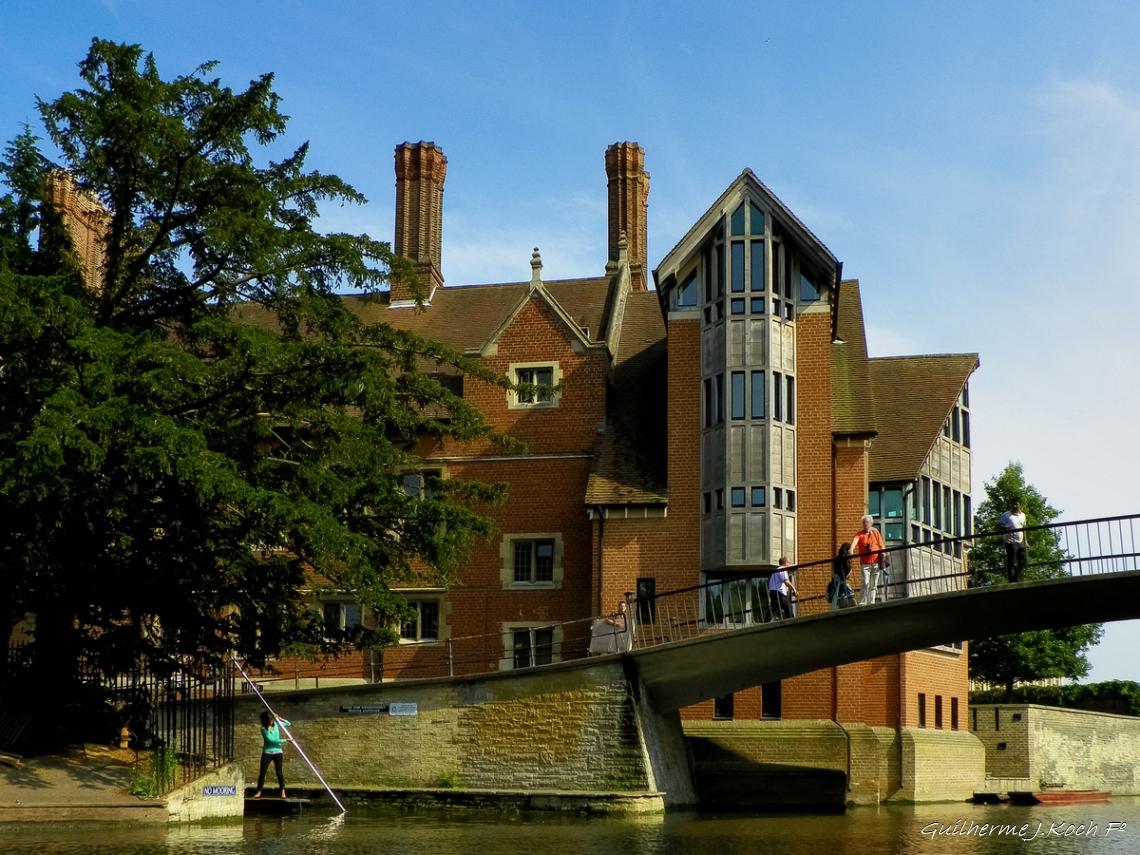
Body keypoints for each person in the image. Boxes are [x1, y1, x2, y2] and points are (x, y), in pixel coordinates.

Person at [253, 711, 291, 799]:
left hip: (278, 753)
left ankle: (283, 791)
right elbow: (272, 740)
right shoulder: (263, 729)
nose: (273, 720)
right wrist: (285, 740)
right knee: (262, 773)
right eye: (271, 719)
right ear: (267, 720)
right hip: (267, 753)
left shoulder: (277, 724)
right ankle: (259, 792)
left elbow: (288, 724)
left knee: (279, 772)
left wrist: (280, 719)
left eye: (273, 719)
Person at [850, 515, 886, 605]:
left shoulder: (875, 532)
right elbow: (855, 541)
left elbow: (881, 545)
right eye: (864, 522)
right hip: (865, 563)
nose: (866, 524)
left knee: (873, 584)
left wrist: (883, 554)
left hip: (876, 562)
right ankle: (863, 602)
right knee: (865, 583)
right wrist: (851, 549)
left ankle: (871, 602)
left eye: (867, 522)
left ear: (871, 523)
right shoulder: (860, 534)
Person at [1000, 498, 1028, 582]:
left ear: (1020, 505)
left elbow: (1023, 528)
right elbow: (1000, 526)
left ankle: (1016, 576)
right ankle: (1012, 580)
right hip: (1010, 541)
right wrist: (1006, 528)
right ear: (1010, 505)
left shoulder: (1023, 515)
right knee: (1012, 561)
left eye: (1016, 504)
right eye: (1013, 504)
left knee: (1023, 560)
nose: (1014, 506)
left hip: (1020, 541)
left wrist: (1026, 541)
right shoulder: (1005, 515)